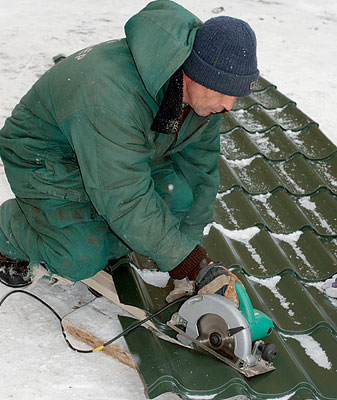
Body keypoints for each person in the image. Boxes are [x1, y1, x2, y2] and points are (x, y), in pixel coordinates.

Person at [0, 0, 258, 300]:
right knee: (80, 258)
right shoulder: (113, 99)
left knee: (179, 199)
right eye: (224, 91)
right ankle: (11, 228)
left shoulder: (203, 103)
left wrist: (191, 264)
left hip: (118, 153)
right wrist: (186, 262)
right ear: (195, 74)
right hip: (46, 157)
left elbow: (200, 173)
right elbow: (124, 198)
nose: (229, 105)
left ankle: (87, 225)